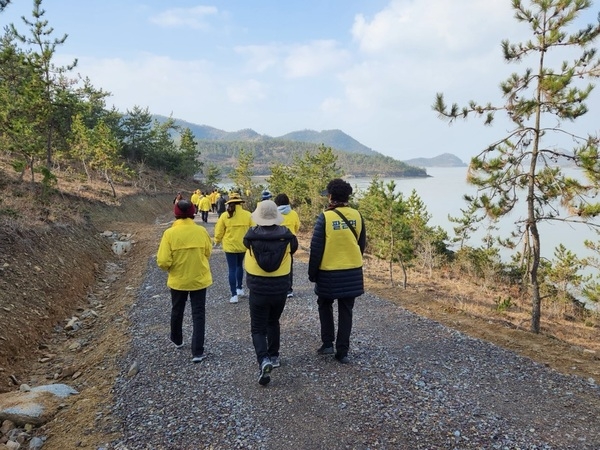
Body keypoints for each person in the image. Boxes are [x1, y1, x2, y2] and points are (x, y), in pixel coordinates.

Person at [308, 178, 366, 364]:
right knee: (346, 310)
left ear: (331, 196)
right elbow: (361, 244)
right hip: (352, 270)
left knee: (324, 304)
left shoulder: (325, 217)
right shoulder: (357, 215)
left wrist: (312, 273)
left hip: (329, 271)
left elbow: (316, 249)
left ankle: (327, 343)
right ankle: (343, 351)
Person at [243, 200, 298, 386]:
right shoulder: (288, 237)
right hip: (280, 287)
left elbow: (245, 246)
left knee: (258, 328)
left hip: (258, 288)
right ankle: (274, 356)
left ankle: (263, 360)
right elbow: (294, 250)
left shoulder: (250, 236)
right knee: (273, 321)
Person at [156, 199, 213, 363]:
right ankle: (197, 351)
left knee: (177, 310)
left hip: (178, 280)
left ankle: (177, 339)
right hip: (199, 279)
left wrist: (171, 268)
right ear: (193, 213)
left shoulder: (169, 234)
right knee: (198, 314)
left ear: (176, 213)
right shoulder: (201, 231)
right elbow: (208, 252)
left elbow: (162, 261)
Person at [214, 192, 253, 303]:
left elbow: (219, 231)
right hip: (243, 246)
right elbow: (254, 229)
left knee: (232, 269)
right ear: (240, 202)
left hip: (230, 247)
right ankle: (240, 288)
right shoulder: (248, 214)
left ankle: (233, 295)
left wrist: (217, 241)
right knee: (240, 266)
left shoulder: (225, 215)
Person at [274, 193, 301, 298]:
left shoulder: (274, 214)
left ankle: (277, 288)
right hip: (291, 242)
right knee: (289, 265)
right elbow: (297, 227)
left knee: (276, 265)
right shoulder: (293, 213)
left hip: (276, 243)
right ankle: (289, 290)